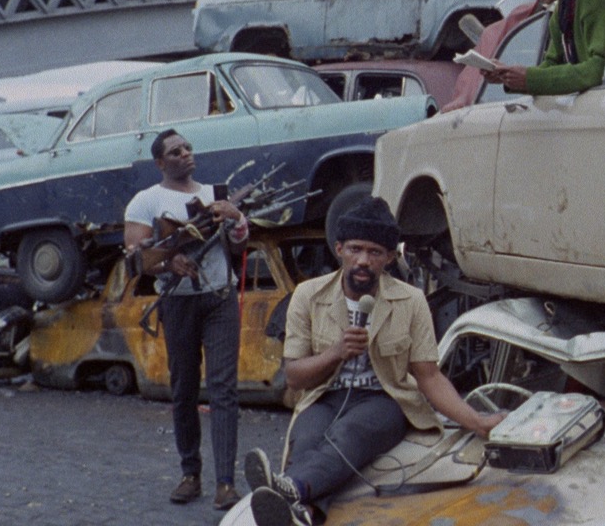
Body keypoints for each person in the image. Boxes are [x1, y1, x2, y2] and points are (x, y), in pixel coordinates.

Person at [245, 197, 505, 526]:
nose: (363, 261)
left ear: (390, 257)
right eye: (355, 249)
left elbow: (429, 376)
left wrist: (476, 421)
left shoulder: (410, 300)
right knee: (307, 439)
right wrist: (335, 353)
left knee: (349, 433)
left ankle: (291, 487)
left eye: (375, 252)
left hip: (385, 399)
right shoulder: (308, 295)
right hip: (324, 395)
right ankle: (303, 513)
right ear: (339, 249)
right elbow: (295, 376)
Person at [123, 129, 250, 511]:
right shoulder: (146, 201)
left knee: (224, 389)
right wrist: (169, 262)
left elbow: (240, 245)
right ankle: (190, 474)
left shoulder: (216, 195)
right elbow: (135, 257)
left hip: (220, 298)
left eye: (188, 148)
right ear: (160, 162)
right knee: (184, 389)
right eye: (175, 151)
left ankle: (225, 483)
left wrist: (236, 218)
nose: (185, 154)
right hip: (178, 303)